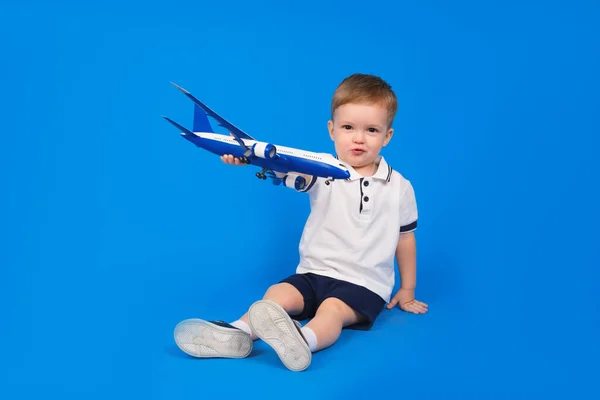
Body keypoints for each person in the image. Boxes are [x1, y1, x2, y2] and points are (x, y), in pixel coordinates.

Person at [173, 73, 428, 372]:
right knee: (275, 296)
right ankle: (238, 332)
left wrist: (407, 287)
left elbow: (406, 237)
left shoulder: (400, 187)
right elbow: (284, 172)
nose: (358, 138)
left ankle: (302, 340)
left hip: (364, 283)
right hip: (313, 272)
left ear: (387, 136)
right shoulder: (320, 169)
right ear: (332, 130)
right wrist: (245, 159)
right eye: (348, 127)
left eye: (371, 130)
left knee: (332, 311)